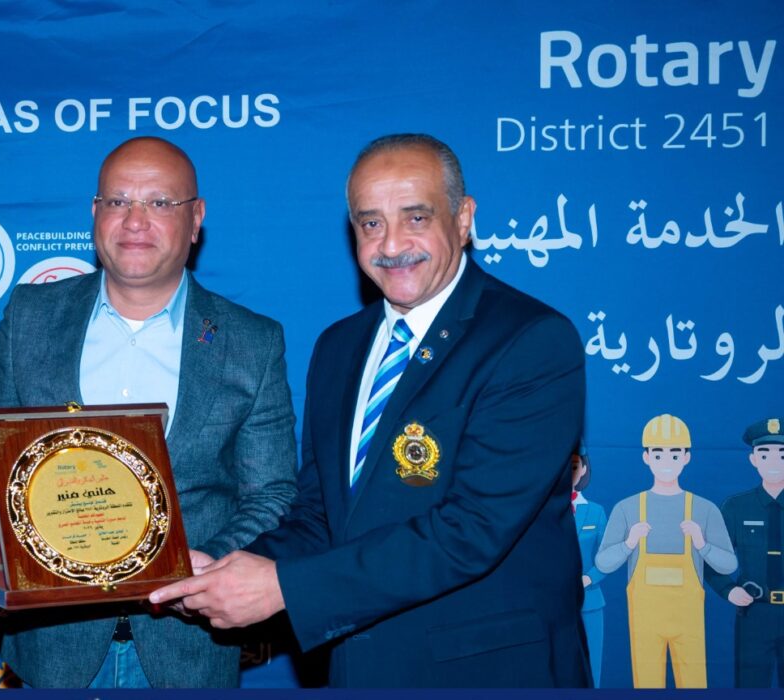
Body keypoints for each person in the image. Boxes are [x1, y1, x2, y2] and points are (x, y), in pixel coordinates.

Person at [151, 133, 591, 687]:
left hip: (487, 672)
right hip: (358, 670)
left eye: (416, 217)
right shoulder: (340, 347)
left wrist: (285, 589)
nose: (392, 244)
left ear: (463, 219)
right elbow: (321, 514)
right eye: (371, 223)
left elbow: (471, 530)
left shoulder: (530, 340)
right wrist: (225, 569)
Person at [0, 136, 298, 688]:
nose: (134, 221)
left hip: (188, 650)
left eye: (159, 202)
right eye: (118, 201)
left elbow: (271, 494)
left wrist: (201, 564)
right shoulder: (30, 317)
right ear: (94, 212)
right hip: (53, 648)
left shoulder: (252, 342)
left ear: (195, 218)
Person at [595, 413, 736, 688]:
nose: (667, 462)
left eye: (675, 454)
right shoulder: (627, 509)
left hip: (688, 622)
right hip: (645, 622)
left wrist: (702, 544)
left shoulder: (704, 510)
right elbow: (603, 563)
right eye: (658, 454)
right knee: (646, 683)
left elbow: (729, 565)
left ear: (686, 457)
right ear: (646, 457)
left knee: (694, 683)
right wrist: (629, 543)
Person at [705, 417, 784, 687]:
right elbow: (710, 558)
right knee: (750, 685)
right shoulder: (736, 507)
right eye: (765, 454)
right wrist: (728, 590)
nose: (774, 462)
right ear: (753, 459)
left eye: (782, 455)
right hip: (754, 615)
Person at [572, 448, 608, 687]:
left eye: (574, 466)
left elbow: (608, 556)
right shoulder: (541, 511)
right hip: (550, 603)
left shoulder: (596, 511)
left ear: (584, 469)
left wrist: (589, 578)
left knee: (592, 668)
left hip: (589, 602)